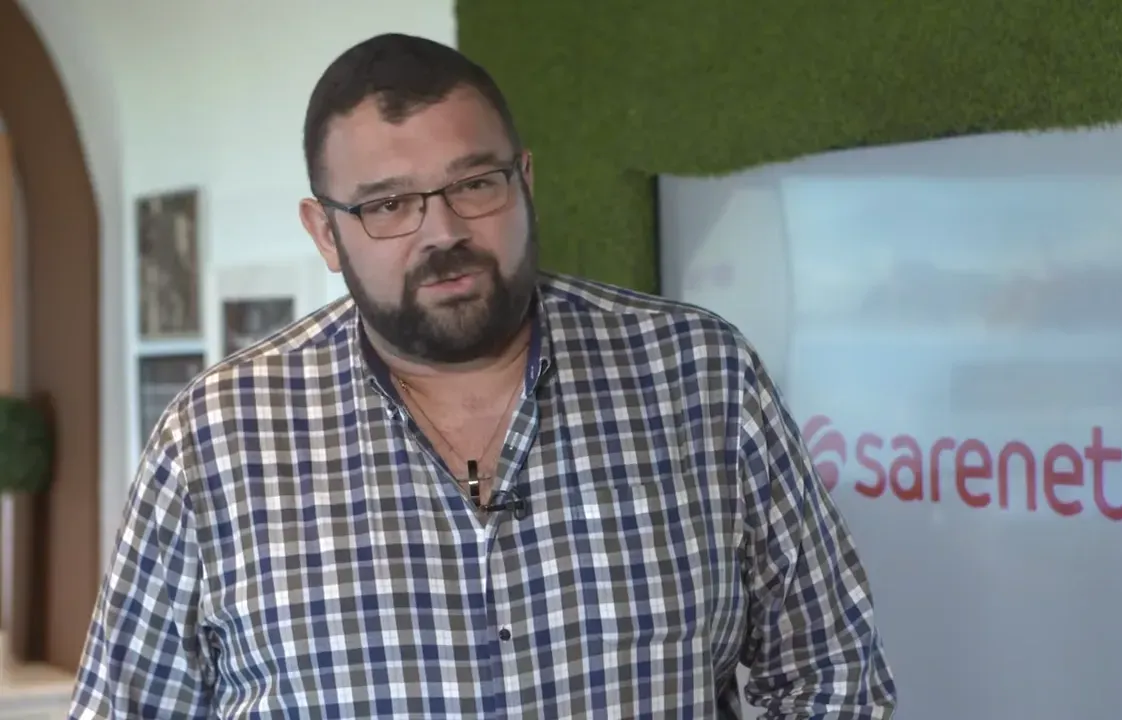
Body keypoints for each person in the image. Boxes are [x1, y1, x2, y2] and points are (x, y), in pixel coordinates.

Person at [69, 33, 896, 719]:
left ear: (524, 182)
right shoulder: (217, 437)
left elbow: (832, 677)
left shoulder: (700, 377)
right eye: (388, 205)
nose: (442, 231)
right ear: (325, 234)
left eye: (474, 184)